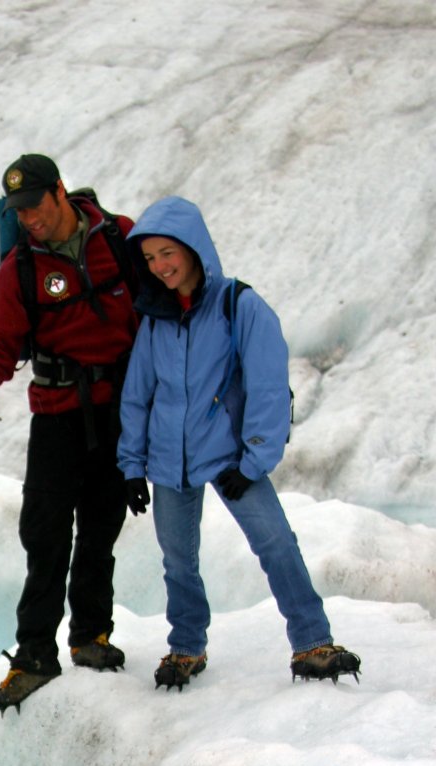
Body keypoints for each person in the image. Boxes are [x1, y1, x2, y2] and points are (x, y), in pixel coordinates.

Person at [117, 195, 360, 689]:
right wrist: (131, 467)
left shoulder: (239, 305)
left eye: (168, 253)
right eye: (149, 259)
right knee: (178, 561)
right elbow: (138, 396)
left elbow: (269, 387)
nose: (160, 267)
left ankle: (313, 641)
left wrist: (253, 461)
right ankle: (187, 647)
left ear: (193, 248)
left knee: (275, 545)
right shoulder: (156, 319)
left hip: (231, 458)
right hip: (169, 462)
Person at [0, 154, 139, 714]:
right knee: (45, 535)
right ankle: (33, 655)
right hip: (56, 415)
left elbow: (161, 310)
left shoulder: (119, 238)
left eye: (34, 207)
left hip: (120, 411)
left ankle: (90, 637)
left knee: (101, 527)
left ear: (60, 193)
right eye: (18, 212)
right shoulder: (20, 270)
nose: (28, 220)